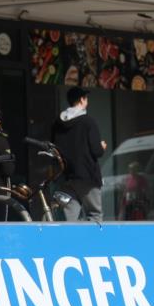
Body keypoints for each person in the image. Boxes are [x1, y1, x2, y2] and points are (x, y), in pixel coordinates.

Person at [53, 86, 107, 222]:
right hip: (87, 176)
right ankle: (92, 243)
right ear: (82, 100)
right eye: (86, 98)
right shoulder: (88, 122)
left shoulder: (57, 123)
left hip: (66, 177)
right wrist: (102, 147)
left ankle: (71, 243)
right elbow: (96, 151)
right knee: (94, 215)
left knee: (70, 219)